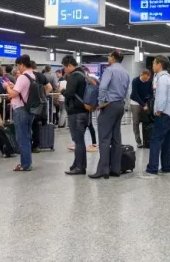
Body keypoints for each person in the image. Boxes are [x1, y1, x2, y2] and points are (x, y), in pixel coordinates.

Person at [91, 50, 130, 179]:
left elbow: (102, 87)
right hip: (120, 105)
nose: (108, 58)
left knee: (104, 138)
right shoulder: (125, 72)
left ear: (113, 57)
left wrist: (101, 102)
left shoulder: (109, 70)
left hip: (109, 105)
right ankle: (116, 169)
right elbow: (126, 90)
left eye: (109, 56)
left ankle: (103, 170)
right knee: (116, 138)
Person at [144, 55, 170, 176]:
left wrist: (158, 110)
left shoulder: (162, 78)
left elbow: (161, 97)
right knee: (167, 141)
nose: (152, 66)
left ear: (159, 64)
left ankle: (152, 167)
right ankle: (166, 166)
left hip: (164, 114)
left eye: (154, 63)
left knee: (155, 139)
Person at [4, 55, 36, 172]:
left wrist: (7, 87)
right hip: (29, 110)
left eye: (18, 66)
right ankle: (27, 162)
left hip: (21, 110)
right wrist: (13, 87)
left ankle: (25, 164)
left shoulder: (22, 77)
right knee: (26, 137)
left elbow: (13, 94)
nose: (18, 68)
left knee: (22, 138)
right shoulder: (32, 75)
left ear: (22, 64)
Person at [61, 55, 89, 175]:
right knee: (79, 139)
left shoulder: (73, 76)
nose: (64, 70)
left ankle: (80, 167)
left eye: (64, 67)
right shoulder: (83, 74)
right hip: (84, 111)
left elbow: (69, 93)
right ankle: (77, 163)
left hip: (76, 112)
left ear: (69, 65)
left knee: (78, 140)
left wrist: (62, 91)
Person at [129, 70, 153, 147]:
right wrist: (143, 104)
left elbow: (150, 93)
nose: (146, 80)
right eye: (145, 79)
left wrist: (149, 101)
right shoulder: (135, 81)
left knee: (146, 121)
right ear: (141, 74)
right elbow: (135, 94)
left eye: (147, 79)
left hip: (144, 103)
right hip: (135, 102)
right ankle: (138, 141)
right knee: (136, 122)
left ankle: (146, 141)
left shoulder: (149, 82)